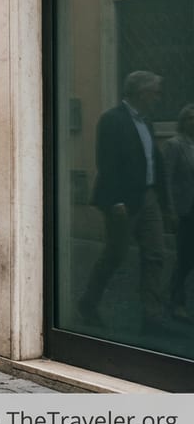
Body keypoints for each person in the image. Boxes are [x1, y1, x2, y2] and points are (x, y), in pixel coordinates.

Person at [80, 70, 171, 331]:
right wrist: (115, 201)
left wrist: (164, 204)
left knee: (155, 254)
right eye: (155, 93)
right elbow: (107, 163)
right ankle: (88, 303)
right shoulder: (112, 119)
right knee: (115, 255)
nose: (158, 98)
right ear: (141, 93)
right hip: (122, 200)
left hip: (149, 195)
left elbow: (154, 161)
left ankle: (152, 315)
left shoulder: (147, 122)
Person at [163, 103, 194, 322]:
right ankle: (176, 301)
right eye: (190, 118)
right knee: (184, 258)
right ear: (182, 121)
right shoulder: (174, 145)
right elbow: (167, 179)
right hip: (185, 210)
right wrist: (171, 210)